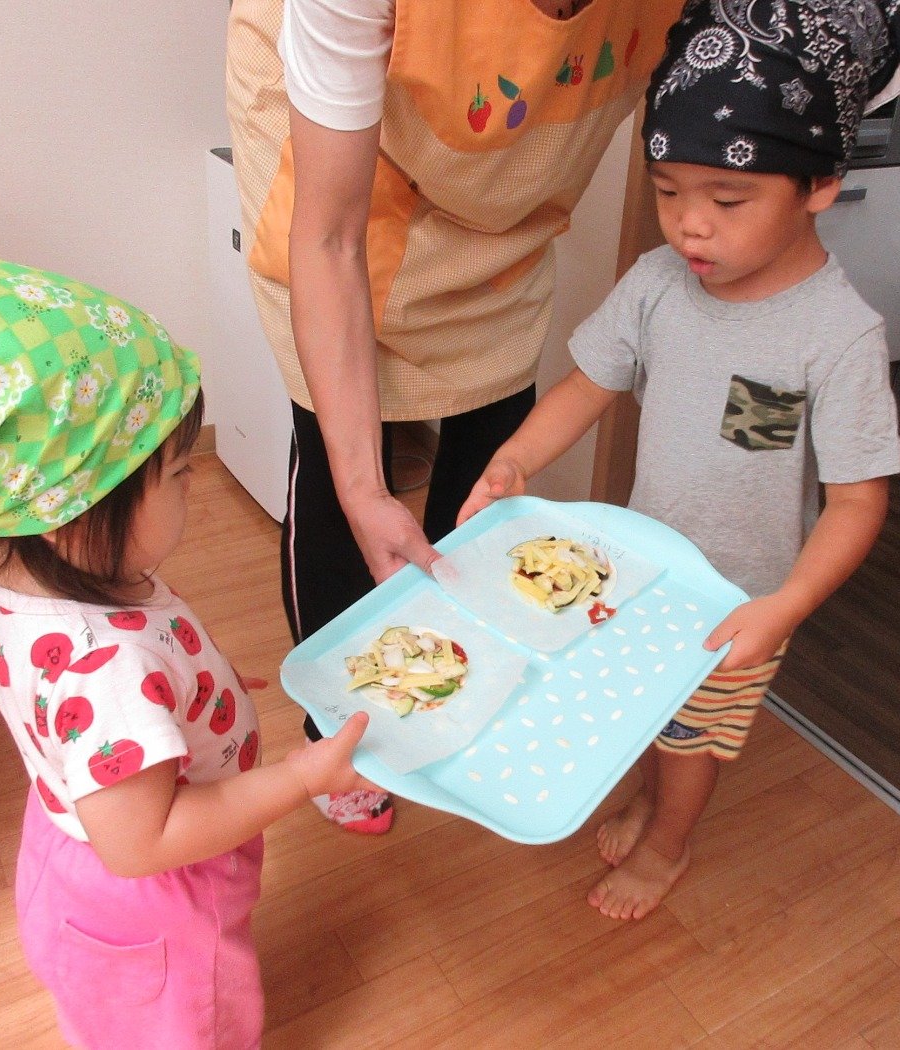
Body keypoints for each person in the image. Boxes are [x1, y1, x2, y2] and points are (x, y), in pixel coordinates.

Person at [0, 248, 373, 1049]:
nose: (192, 485)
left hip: (70, 854)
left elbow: (96, 711)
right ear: (71, 511)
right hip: (156, 904)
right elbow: (144, 840)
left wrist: (195, 689)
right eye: (177, 473)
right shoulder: (107, 667)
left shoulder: (3, 567)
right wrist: (301, 777)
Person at [457, 0, 900, 920]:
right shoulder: (657, 284)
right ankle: (651, 801)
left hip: (738, 604)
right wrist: (513, 461)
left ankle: (668, 846)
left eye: (727, 199)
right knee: (648, 711)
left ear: (820, 185)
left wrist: (785, 607)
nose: (689, 227)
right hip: (640, 574)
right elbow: (587, 385)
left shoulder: (838, 336)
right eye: (669, 192)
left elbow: (856, 503)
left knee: (692, 738)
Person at [225, 0, 689, 831]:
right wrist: (365, 490)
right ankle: (339, 735)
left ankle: (467, 680)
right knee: (338, 471)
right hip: (343, 196)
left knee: (489, 445)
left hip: (508, 206)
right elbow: (328, 238)